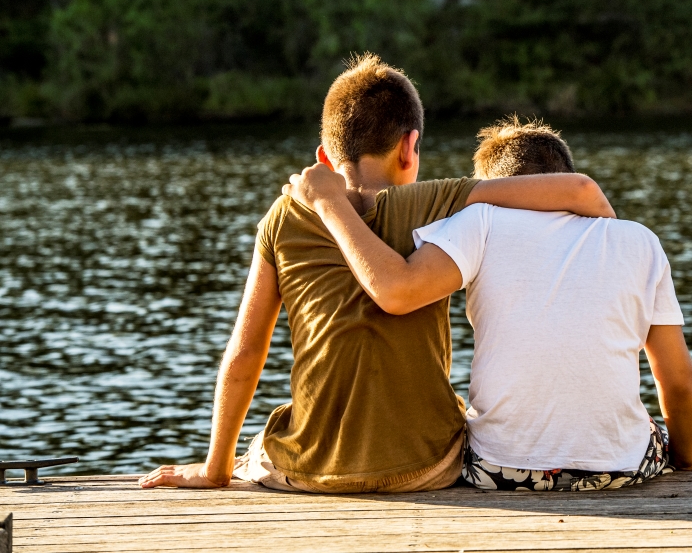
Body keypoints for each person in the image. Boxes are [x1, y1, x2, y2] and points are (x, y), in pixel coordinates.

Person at [139, 57, 616, 493]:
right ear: (410, 147)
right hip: (427, 466)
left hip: (309, 471)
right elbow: (580, 190)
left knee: (268, 439)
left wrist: (214, 469)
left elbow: (245, 354)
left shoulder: (284, 218)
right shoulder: (436, 202)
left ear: (324, 158)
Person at [283, 117, 692, 491]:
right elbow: (681, 383)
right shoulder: (639, 241)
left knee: (465, 412)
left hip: (498, 473)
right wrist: (687, 456)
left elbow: (398, 290)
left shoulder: (479, 221)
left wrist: (330, 206)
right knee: (640, 418)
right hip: (622, 470)